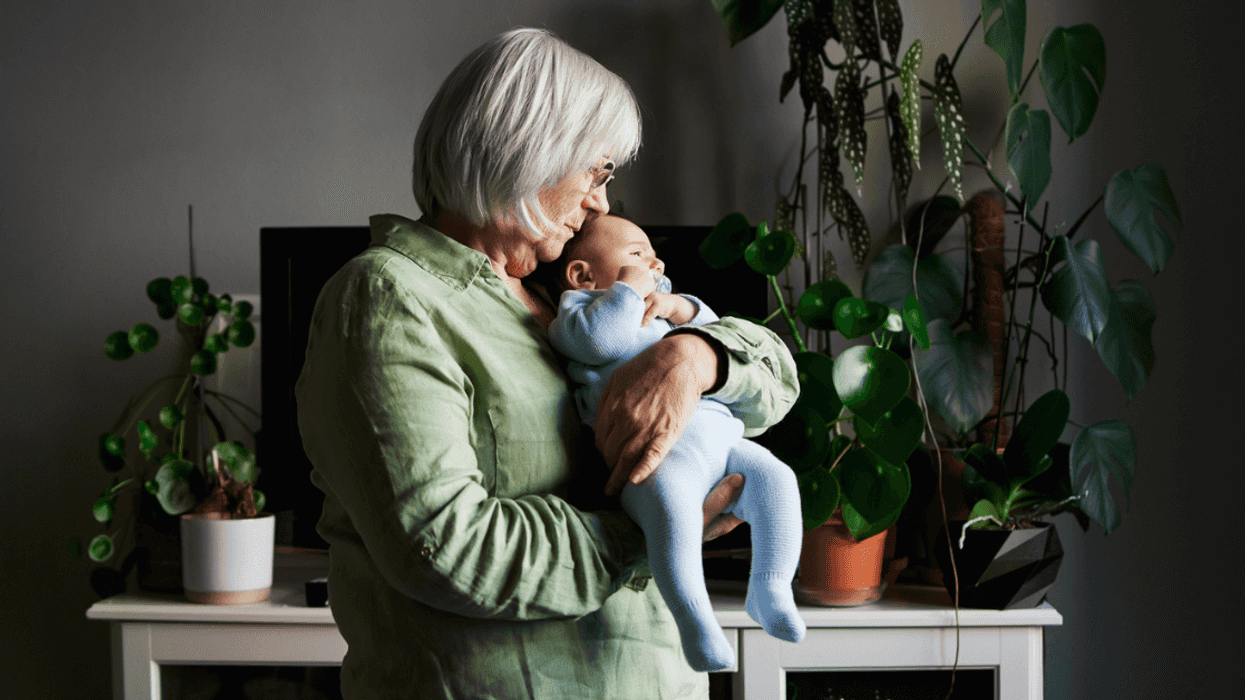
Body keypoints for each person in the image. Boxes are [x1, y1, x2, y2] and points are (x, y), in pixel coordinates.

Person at [295, 27, 798, 699]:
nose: (601, 203)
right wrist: (645, 531)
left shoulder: (563, 300)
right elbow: (446, 548)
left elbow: (775, 378)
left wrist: (693, 356)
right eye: (595, 172)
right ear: (525, 151)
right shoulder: (389, 298)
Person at [548, 214, 806, 672]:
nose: (653, 261)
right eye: (635, 254)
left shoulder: (658, 309)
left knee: (778, 481)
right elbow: (601, 343)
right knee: (676, 517)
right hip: (657, 458)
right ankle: (696, 623)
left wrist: (675, 307)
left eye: (653, 254)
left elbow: (711, 327)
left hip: (718, 434)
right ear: (582, 274)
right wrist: (627, 290)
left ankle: (771, 589)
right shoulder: (578, 312)